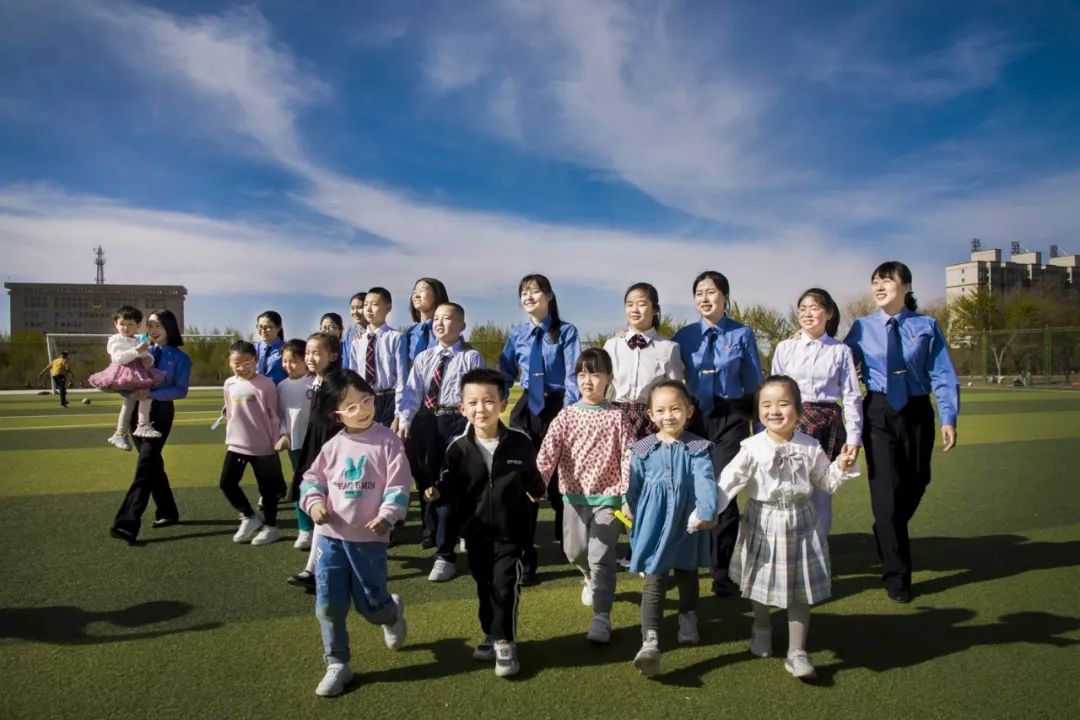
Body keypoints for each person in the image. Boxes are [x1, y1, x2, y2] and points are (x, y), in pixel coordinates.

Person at [717, 375, 859, 680]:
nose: (774, 411)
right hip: (762, 521)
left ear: (799, 409)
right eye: (766, 405)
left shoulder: (810, 445)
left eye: (783, 403)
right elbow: (729, 481)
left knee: (799, 589)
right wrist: (705, 512)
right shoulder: (752, 447)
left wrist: (841, 466)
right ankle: (762, 625)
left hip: (801, 522)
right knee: (758, 581)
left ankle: (797, 651)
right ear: (757, 410)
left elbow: (825, 481)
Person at [844, 261, 959, 604]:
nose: (879, 287)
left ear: (906, 287)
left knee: (918, 479)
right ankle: (897, 575)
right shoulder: (861, 328)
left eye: (887, 281)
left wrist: (948, 416)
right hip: (878, 411)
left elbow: (942, 373)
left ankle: (886, 526)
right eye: (875, 282)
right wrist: (807, 340)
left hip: (917, 410)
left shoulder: (926, 326)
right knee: (886, 493)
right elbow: (838, 359)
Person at [427, 368, 546, 678]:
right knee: (485, 586)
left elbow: (533, 477)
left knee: (504, 586)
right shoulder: (458, 447)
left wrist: (538, 491)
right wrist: (436, 490)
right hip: (475, 532)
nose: (481, 409)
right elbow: (448, 481)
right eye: (473, 402)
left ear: (503, 405)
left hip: (511, 533)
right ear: (462, 407)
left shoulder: (520, 442)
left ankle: (505, 643)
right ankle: (490, 633)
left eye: (489, 401)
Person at [299, 369, 410, 698]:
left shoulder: (388, 441)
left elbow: (399, 484)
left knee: (371, 606)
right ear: (336, 414)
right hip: (330, 538)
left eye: (366, 400)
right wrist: (314, 504)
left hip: (369, 540)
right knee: (328, 605)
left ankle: (391, 612)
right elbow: (312, 480)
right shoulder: (332, 446)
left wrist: (388, 515)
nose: (361, 410)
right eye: (350, 406)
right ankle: (337, 663)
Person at [673, 271, 763, 597]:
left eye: (711, 292)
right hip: (695, 419)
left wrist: (761, 433)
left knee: (724, 490)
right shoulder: (684, 336)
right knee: (694, 489)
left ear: (725, 296)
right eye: (699, 293)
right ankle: (688, 559)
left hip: (731, 417)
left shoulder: (742, 334)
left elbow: (754, 385)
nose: (705, 298)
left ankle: (721, 570)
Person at [536, 348, 634, 644]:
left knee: (601, 556)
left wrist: (627, 495)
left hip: (609, 500)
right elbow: (548, 452)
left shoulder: (618, 417)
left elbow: (629, 456)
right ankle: (589, 578)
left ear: (609, 378)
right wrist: (538, 483)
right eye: (581, 374)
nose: (587, 380)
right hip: (573, 497)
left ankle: (602, 617)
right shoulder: (566, 415)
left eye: (595, 374)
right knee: (574, 552)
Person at [624, 380, 718, 677]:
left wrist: (706, 511)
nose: (669, 416)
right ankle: (650, 640)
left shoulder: (697, 447)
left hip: (687, 522)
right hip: (653, 523)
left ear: (689, 410)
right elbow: (634, 486)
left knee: (687, 573)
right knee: (654, 578)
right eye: (661, 410)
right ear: (651, 414)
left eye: (675, 409)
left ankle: (687, 616)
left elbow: (705, 480)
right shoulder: (642, 449)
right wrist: (631, 511)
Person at [498, 273, 582, 585]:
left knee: (560, 479)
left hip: (557, 406)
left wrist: (569, 414)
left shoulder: (567, 332)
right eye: (524, 292)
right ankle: (525, 559)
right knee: (523, 480)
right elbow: (505, 371)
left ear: (549, 295)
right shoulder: (517, 334)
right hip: (525, 410)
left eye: (535, 291)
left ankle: (567, 539)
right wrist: (497, 397)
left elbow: (573, 375)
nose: (528, 297)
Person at [397, 302, 483, 582]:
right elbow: (412, 393)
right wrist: (406, 420)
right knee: (433, 484)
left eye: (447, 318)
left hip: (458, 423)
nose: (439, 323)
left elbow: (476, 394)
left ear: (462, 325)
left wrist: (471, 428)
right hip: (428, 424)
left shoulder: (470, 357)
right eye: (436, 318)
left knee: (456, 484)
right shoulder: (424, 357)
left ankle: (447, 552)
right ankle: (443, 542)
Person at [770, 288, 862, 534]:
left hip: (827, 424)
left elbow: (852, 396)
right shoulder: (785, 348)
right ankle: (792, 550)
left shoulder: (840, 351)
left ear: (829, 313)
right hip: (791, 424)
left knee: (822, 493)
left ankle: (818, 551)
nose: (807, 313)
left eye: (814, 308)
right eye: (802, 309)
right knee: (790, 492)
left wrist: (854, 438)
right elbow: (774, 391)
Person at [110, 310, 191, 542]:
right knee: (153, 464)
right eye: (151, 325)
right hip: (136, 412)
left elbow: (180, 390)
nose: (153, 330)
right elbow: (121, 378)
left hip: (161, 412)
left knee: (145, 464)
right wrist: (129, 392)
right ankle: (167, 511)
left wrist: (152, 393)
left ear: (169, 328)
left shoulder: (181, 358)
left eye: (159, 326)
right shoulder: (136, 348)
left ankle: (127, 522)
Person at [288, 332, 343, 590]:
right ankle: (315, 568)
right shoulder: (318, 381)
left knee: (329, 512)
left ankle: (316, 569)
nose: (310, 358)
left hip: (332, 454)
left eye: (317, 353)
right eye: (308, 353)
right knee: (324, 512)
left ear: (333, 356)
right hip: (317, 451)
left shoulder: (337, 383)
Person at [218, 341, 285, 546]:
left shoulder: (267, 384)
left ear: (255, 361)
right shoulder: (229, 384)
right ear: (230, 363)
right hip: (237, 444)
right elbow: (230, 410)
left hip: (263, 446)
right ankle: (249, 516)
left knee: (267, 490)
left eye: (246, 362)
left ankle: (271, 527)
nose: (241, 367)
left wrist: (275, 441)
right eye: (236, 363)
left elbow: (274, 415)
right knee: (226, 483)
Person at [604, 282, 684, 439]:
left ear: (655, 309)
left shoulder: (669, 348)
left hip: (651, 420)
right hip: (614, 417)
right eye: (629, 304)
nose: (634, 310)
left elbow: (676, 391)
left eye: (641, 304)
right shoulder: (612, 345)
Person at [89, 306, 166, 451]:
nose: (126, 327)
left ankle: (122, 432)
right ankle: (141, 425)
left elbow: (146, 354)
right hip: (124, 371)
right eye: (122, 324)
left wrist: (148, 358)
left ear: (138, 325)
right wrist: (136, 351)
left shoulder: (139, 339)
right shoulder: (115, 340)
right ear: (116, 324)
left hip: (139, 371)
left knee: (132, 401)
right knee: (141, 397)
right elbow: (118, 358)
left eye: (130, 324)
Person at [275, 338, 316, 550]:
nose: (288, 365)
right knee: (300, 485)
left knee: (321, 485)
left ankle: (325, 527)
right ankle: (305, 528)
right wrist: (284, 434)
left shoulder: (316, 382)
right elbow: (280, 415)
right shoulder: (281, 386)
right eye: (285, 361)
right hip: (296, 444)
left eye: (294, 361)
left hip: (318, 445)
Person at [353, 287, 407, 428]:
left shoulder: (396, 338)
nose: (368, 309)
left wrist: (398, 414)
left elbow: (402, 379)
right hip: (366, 399)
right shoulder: (357, 342)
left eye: (375, 304)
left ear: (388, 308)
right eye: (366, 305)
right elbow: (353, 377)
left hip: (389, 399)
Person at [405, 278, 450, 365]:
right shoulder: (409, 333)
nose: (416, 295)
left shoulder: (449, 329)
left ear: (437, 295)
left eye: (421, 291)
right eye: (414, 292)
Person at [255, 310, 287, 385]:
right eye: (260, 327)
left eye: (268, 327)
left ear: (279, 327)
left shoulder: (287, 349)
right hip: (256, 390)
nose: (263, 330)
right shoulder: (252, 348)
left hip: (279, 390)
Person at [341, 292, 368, 370]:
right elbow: (345, 364)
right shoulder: (349, 336)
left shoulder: (378, 333)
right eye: (352, 308)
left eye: (360, 308)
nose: (355, 312)